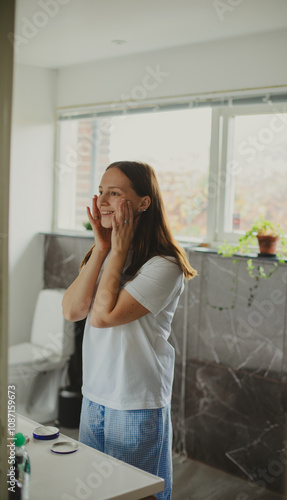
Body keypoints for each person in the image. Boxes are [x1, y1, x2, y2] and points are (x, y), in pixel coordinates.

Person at [62, 161, 197, 500]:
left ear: (144, 203)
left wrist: (118, 250)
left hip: (135, 401)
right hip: (94, 395)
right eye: (101, 191)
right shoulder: (104, 253)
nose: (103, 200)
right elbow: (72, 310)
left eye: (116, 193)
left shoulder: (164, 265)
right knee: (96, 492)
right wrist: (105, 248)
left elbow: (103, 317)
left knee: (133, 494)